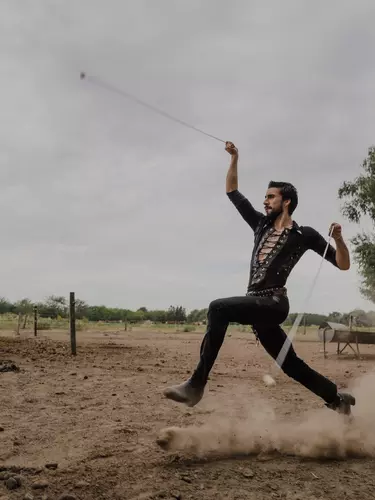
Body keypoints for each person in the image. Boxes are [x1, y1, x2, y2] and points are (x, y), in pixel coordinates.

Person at [163, 141, 356, 415]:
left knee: (218, 308)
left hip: (275, 303)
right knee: (289, 364)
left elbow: (343, 264)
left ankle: (195, 385)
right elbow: (232, 192)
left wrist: (338, 239)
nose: (265, 202)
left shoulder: (305, 235)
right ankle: (337, 399)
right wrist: (235, 158)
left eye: (270, 197)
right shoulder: (260, 225)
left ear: (286, 201)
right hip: (257, 307)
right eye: (265, 198)